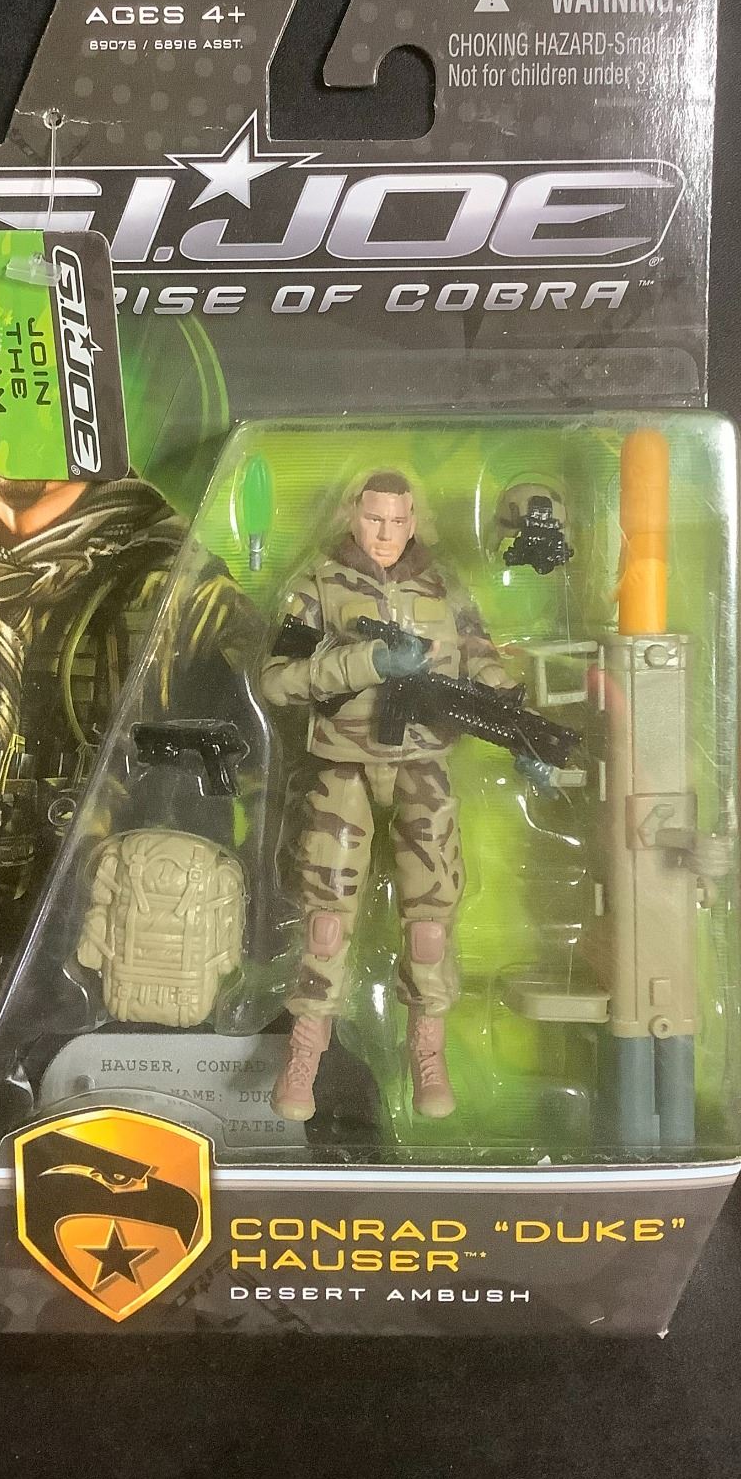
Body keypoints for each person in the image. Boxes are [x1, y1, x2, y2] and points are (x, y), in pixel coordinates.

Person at [0, 335, 243, 1093]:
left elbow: (263, 781)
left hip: (124, 953)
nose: (20, 431)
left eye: (43, 408)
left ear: (88, 434)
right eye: (1, 406)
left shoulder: (184, 600)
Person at [260, 471, 518, 1123]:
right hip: (341, 764)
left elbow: (481, 652)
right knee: (325, 922)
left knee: (430, 924)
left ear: (413, 521)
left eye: (397, 520)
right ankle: (305, 1055)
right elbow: (279, 681)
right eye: (374, 518)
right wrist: (368, 663)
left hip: (421, 762)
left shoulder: (443, 586)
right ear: (353, 515)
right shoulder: (318, 585)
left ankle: (428, 1053)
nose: (385, 532)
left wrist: (508, 707)